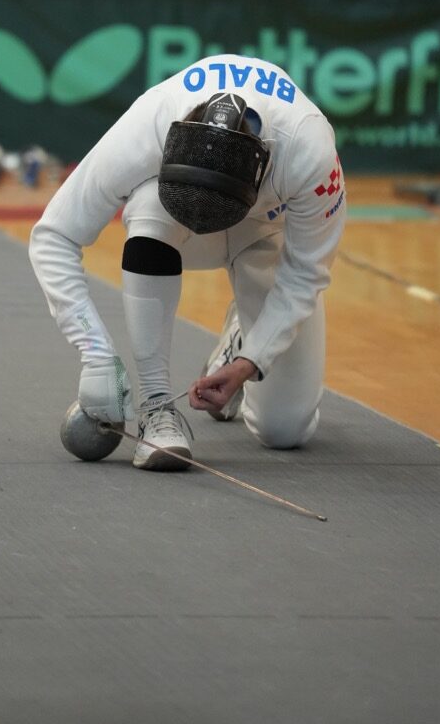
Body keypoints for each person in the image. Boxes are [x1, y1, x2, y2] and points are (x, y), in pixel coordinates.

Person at [29, 59, 345, 470]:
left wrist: (249, 361)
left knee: (285, 429)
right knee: (149, 208)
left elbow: (305, 273)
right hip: (175, 226)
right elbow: (54, 234)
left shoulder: (309, 150)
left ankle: (240, 339)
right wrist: (95, 353)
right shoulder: (151, 120)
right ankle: (156, 406)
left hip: (265, 231)